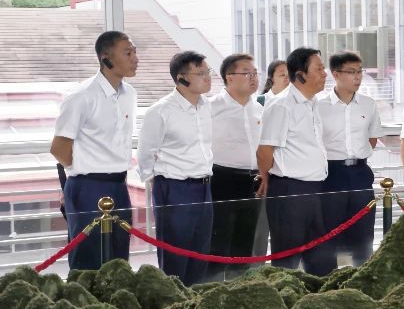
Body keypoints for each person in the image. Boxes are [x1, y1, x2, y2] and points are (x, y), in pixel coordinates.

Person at [50, 31, 138, 271]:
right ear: (106, 58)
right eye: (128, 53)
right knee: (87, 258)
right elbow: (59, 148)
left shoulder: (129, 93)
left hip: (119, 184)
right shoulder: (81, 96)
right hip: (87, 186)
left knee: (119, 257)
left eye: (134, 52)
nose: (135, 58)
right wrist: (81, 171)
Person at [137, 51, 214, 285]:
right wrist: (161, 185)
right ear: (182, 78)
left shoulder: (207, 106)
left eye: (208, 72)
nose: (208, 77)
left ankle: (195, 301)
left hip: (205, 186)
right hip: (174, 188)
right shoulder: (160, 111)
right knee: (175, 256)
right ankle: (174, 302)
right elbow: (145, 154)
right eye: (201, 73)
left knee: (201, 252)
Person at [257, 47, 334, 275]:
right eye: (319, 69)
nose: (325, 73)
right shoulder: (281, 105)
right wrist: (266, 178)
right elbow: (265, 150)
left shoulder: (313, 103)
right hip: (290, 191)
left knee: (322, 260)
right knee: (287, 262)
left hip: (316, 189)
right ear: (300, 75)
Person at [318, 51, 383, 267]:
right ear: (335, 74)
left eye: (360, 72)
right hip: (330, 174)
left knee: (363, 234)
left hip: (360, 173)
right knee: (328, 234)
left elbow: (372, 139)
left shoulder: (368, 104)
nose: (358, 77)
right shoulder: (319, 105)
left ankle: (361, 276)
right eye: (351, 72)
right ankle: (328, 278)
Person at [208, 53, 264, 281]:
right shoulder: (211, 107)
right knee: (218, 240)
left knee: (244, 242)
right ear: (229, 77)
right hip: (221, 179)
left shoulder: (258, 108)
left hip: (253, 181)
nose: (254, 78)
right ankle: (212, 290)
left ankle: (238, 289)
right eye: (247, 73)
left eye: (255, 73)